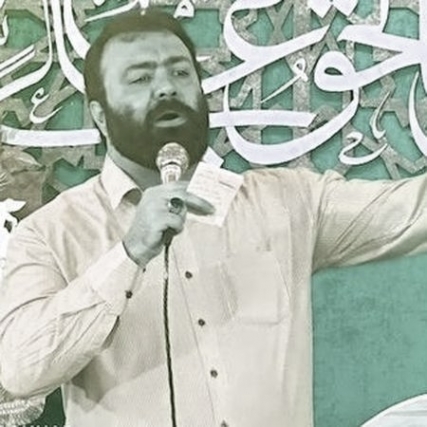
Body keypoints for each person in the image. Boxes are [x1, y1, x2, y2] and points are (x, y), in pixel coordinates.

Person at [0, 8, 427, 427]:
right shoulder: (50, 234)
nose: (166, 87)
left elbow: (413, 211)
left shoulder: (284, 202)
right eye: (140, 78)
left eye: (180, 73)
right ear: (100, 115)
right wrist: (128, 255)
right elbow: (21, 370)